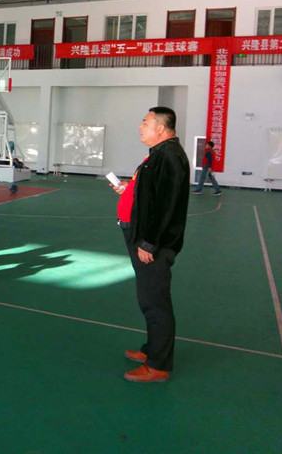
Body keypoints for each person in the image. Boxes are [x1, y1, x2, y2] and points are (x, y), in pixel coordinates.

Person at [111, 106, 189, 383]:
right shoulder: (159, 154)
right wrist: (128, 189)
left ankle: (158, 365)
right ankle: (151, 349)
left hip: (153, 243)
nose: (140, 127)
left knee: (155, 301)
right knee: (148, 298)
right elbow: (152, 194)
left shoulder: (169, 157)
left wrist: (149, 243)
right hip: (142, 235)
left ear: (161, 128)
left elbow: (166, 206)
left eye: (145, 122)